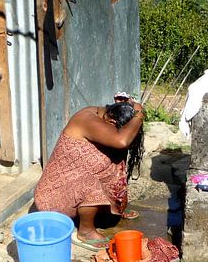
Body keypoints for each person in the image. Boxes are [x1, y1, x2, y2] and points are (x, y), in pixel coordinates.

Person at [34, 97, 145, 241]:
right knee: (91, 181)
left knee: (115, 163)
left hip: (74, 186)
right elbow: (122, 140)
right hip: (53, 197)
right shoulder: (86, 118)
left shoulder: (107, 115)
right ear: (111, 122)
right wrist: (139, 113)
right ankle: (85, 232)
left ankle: (109, 211)